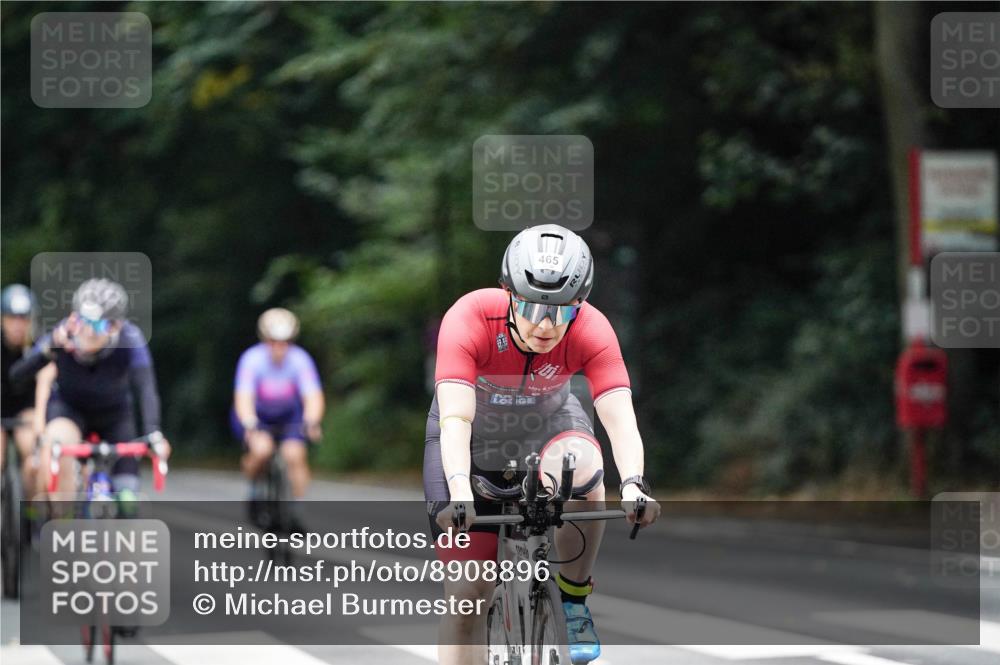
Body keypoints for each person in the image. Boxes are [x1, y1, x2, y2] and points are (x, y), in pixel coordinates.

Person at [425, 224, 662, 665]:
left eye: (563, 311)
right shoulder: (471, 316)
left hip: (549, 421)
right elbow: (456, 417)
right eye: (532, 307)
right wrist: (460, 490)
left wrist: (633, 482)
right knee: (466, 595)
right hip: (471, 434)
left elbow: (618, 415)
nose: (546, 325)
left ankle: (572, 601)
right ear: (507, 292)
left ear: (581, 304)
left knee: (586, 469)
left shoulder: (593, 328)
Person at [10, 278, 170, 498]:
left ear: (115, 326)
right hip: (69, 411)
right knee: (59, 446)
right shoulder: (64, 333)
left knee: (127, 497)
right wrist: (50, 349)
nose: (86, 331)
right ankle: (62, 523)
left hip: (115, 416)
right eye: (81, 320)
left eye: (97, 324)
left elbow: (146, 387)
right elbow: (17, 375)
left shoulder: (130, 338)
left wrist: (154, 431)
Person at [233, 308, 324, 510]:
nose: (279, 347)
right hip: (259, 415)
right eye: (273, 341)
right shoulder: (252, 359)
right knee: (261, 450)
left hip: (288, 414)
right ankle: (254, 489)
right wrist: (249, 423)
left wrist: (312, 421)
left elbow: (312, 396)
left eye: (285, 342)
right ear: (265, 339)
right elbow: (244, 397)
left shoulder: (300, 360)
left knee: (295, 455)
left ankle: (297, 509)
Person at [1, 284, 44, 496]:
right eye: (12, 318)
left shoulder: (38, 347)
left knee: (33, 454)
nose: (18, 325)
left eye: (24, 318)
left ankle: (31, 512)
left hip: (26, 410)